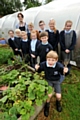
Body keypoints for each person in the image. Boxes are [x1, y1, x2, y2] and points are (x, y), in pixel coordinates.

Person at [35, 50, 68, 117]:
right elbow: (39, 70)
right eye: (49, 60)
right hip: (48, 80)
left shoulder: (58, 65)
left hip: (56, 81)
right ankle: (47, 105)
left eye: (53, 60)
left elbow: (62, 73)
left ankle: (58, 102)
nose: (50, 62)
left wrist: (65, 71)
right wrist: (37, 68)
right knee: (49, 95)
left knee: (58, 96)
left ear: (56, 60)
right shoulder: (44, 64)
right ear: (46, 59)